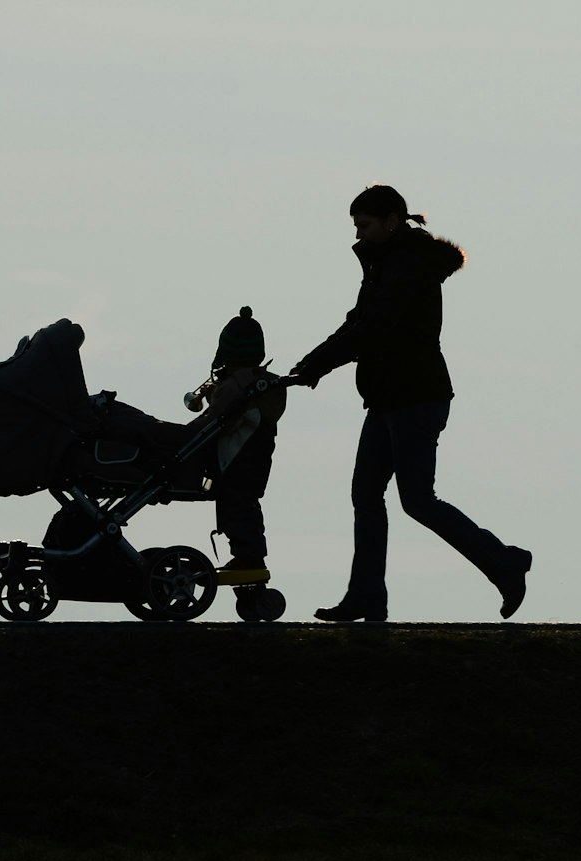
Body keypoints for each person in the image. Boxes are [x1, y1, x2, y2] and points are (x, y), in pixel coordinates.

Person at [289, 184, 531, 622]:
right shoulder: (385, 262)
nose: (358, 234)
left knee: (417, 500)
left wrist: (317, 365)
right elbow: (358, 321)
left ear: (390, 221)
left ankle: (504, 561)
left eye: (364, 225)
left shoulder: (408, 265)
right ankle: (366, 596)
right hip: (387, 396)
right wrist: (311, 364)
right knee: (367, 494)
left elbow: (373, 327)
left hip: (416, 396)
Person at [187, 306, 285, 586]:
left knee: (235, 508)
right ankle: (248, 557)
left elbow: (214, 422)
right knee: (245, 507)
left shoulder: (235, 387)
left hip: (234, 462)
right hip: (257, 461)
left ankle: (249, 559)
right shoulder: (266, 385)